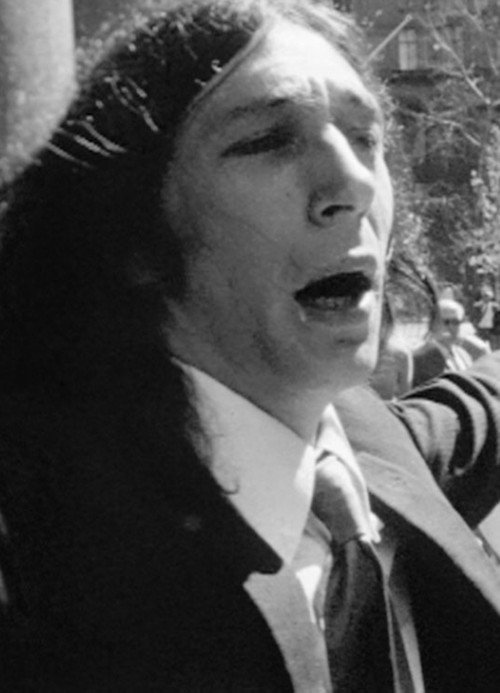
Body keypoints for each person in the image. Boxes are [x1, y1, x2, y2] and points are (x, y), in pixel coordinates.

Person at [0, 1, 500, 690]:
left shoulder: (372, 446)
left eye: (365, 137)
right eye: (267, 140)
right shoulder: (47, 563)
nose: (353, 182)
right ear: (131, 235)